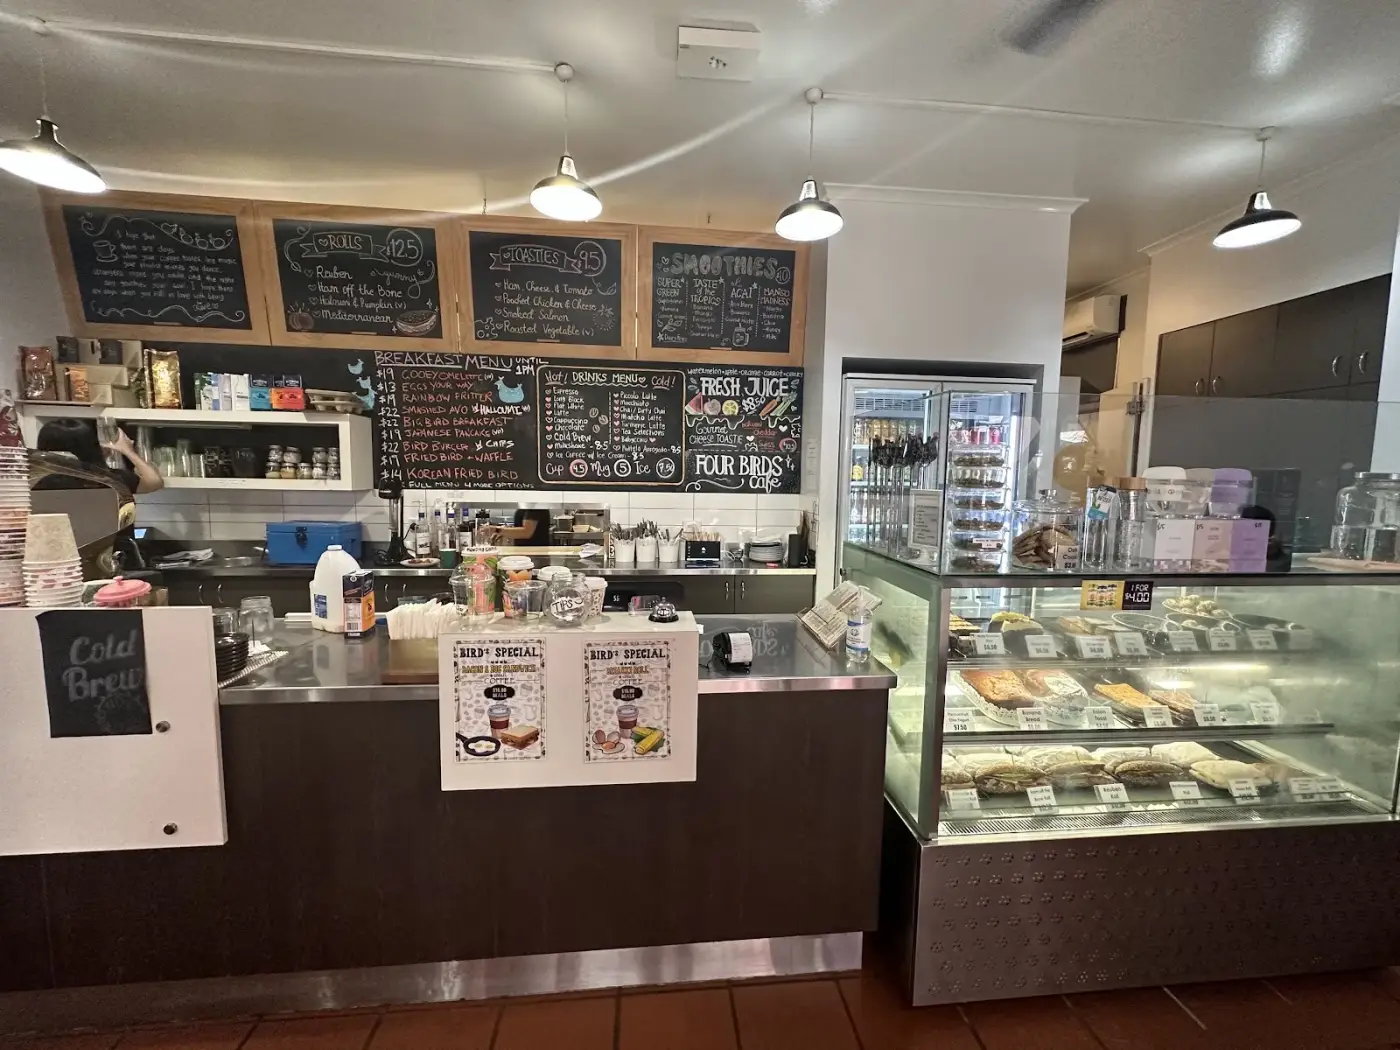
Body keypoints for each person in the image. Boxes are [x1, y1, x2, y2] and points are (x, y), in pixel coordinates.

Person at [31, 419, 164, 498]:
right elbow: (154, 482)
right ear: (91, 446)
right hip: (111, 545)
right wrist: (128, 450)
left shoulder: (36, 482)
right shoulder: (110, 480)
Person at [478, 507, 552, 547]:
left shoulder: (535, 506)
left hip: (534, 555)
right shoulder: (526, 505)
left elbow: (526, 532)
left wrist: (497, 530)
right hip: (526, 553)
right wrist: (503, 530)